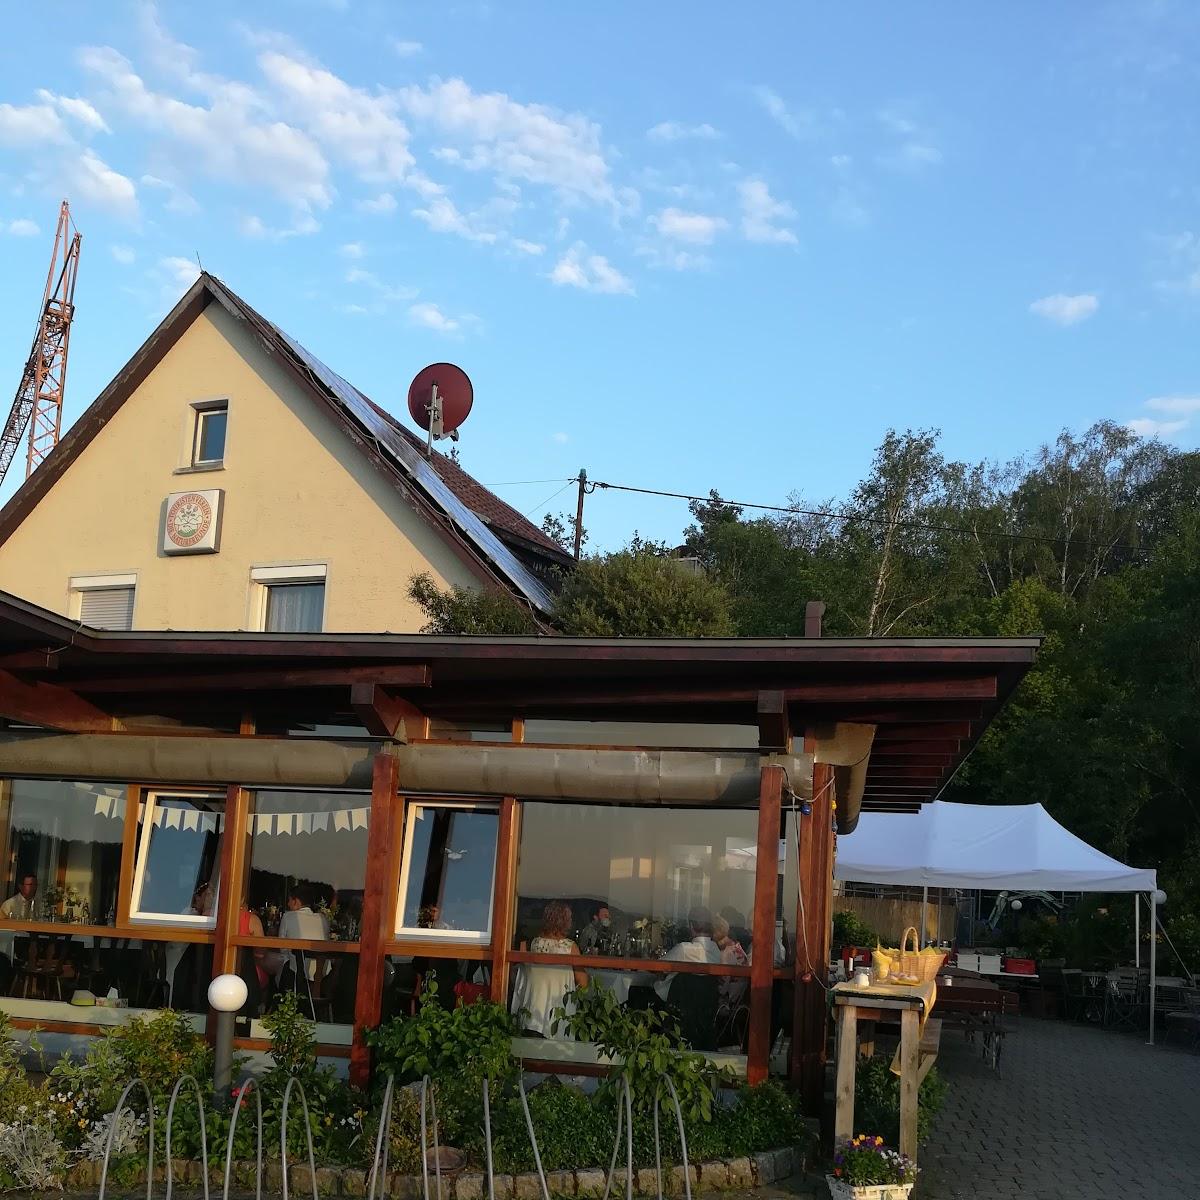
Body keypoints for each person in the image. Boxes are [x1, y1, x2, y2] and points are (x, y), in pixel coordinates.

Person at [510, 899, 588, 1037]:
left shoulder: (533, 944)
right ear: (565, 922)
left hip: (533, 1010)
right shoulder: (570, 948)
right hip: (558, 1011)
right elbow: (583, 983)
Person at [655, 906, 721, 1000]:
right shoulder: (716, 951)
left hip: (674, 1001)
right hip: (705, 1003)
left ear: (691, 926)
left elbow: (658, 967)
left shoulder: (684, 949)